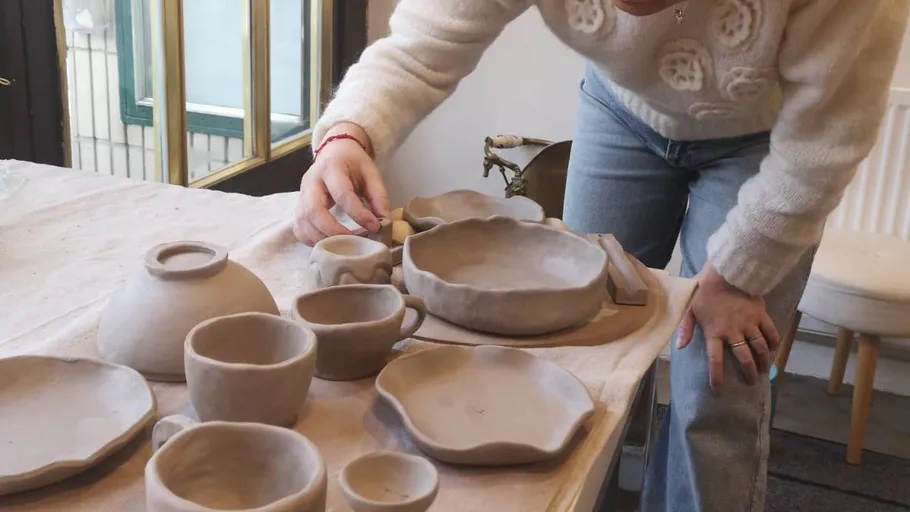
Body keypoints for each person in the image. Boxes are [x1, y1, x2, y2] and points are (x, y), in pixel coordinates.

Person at [294, 0, 908, 509]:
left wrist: (742, 274)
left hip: (768, 143)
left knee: (715, 385)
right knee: (578, 342)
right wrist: (349, 134)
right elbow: (423, 43)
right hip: (620, 110)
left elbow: (827, 138)